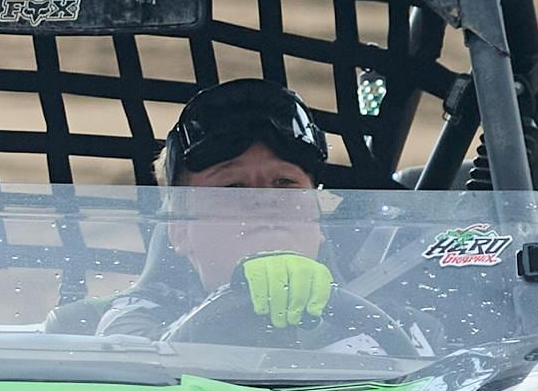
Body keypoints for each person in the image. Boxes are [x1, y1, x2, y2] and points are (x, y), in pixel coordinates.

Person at [86, 81, 420, 354]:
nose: (265, 199)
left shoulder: (397, 323)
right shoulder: (131, 318)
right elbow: (135, 370)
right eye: (233, 187)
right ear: (179, 231)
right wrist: (236, 300)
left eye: (285, 183)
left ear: (318, 222)